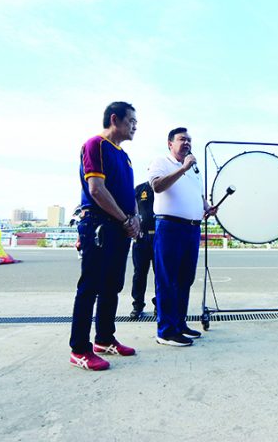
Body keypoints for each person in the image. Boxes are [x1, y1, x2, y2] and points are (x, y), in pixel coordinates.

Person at [69, 101, 141, 371]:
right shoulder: (95, 145)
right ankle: (79, 348)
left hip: (120, 228)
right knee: (90, 287)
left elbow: (129, 194)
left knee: (112, 286)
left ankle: (104, 339)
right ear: (115, 118)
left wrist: (134, 219)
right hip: (100, 226)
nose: (135, 126)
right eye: (131, 120)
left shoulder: (124, 155)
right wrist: (124, 219)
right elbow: (97, 190)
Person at [149, 127, 217, 347]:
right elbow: (158, 186)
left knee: (184, 279)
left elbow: (196, 194)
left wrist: (206, 206)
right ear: (170, 143)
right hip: (170, 226)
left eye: (189, 140)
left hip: (192, 228)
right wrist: (183, 168)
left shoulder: (193, 169)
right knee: (167, 279)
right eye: (182, 139)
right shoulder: (161, 161)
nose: (187, 143)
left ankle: (179, 324)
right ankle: (166, 331)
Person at [129, 181, 157, 318]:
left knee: (161, 274)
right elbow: (130, 208)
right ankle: (137, 305)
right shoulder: (140, 189)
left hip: (159, 238)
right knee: (139, 274)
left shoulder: (166, 186)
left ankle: (159, 304)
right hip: (141, 238)